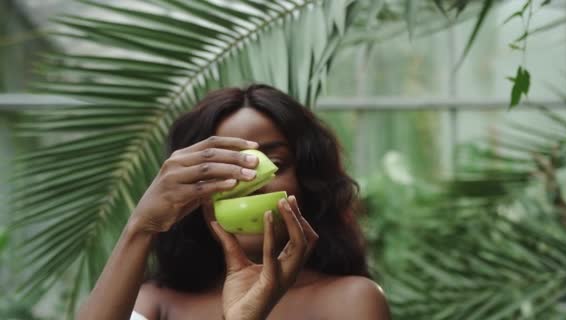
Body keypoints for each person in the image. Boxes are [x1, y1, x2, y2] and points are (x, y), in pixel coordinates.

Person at [76, 84, 391, 320]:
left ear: (308, 183)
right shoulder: (155, 303)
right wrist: (141, 227)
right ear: (193, 193)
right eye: (227, 169)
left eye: (275, 164)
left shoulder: (350, 301)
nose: (251, 183)